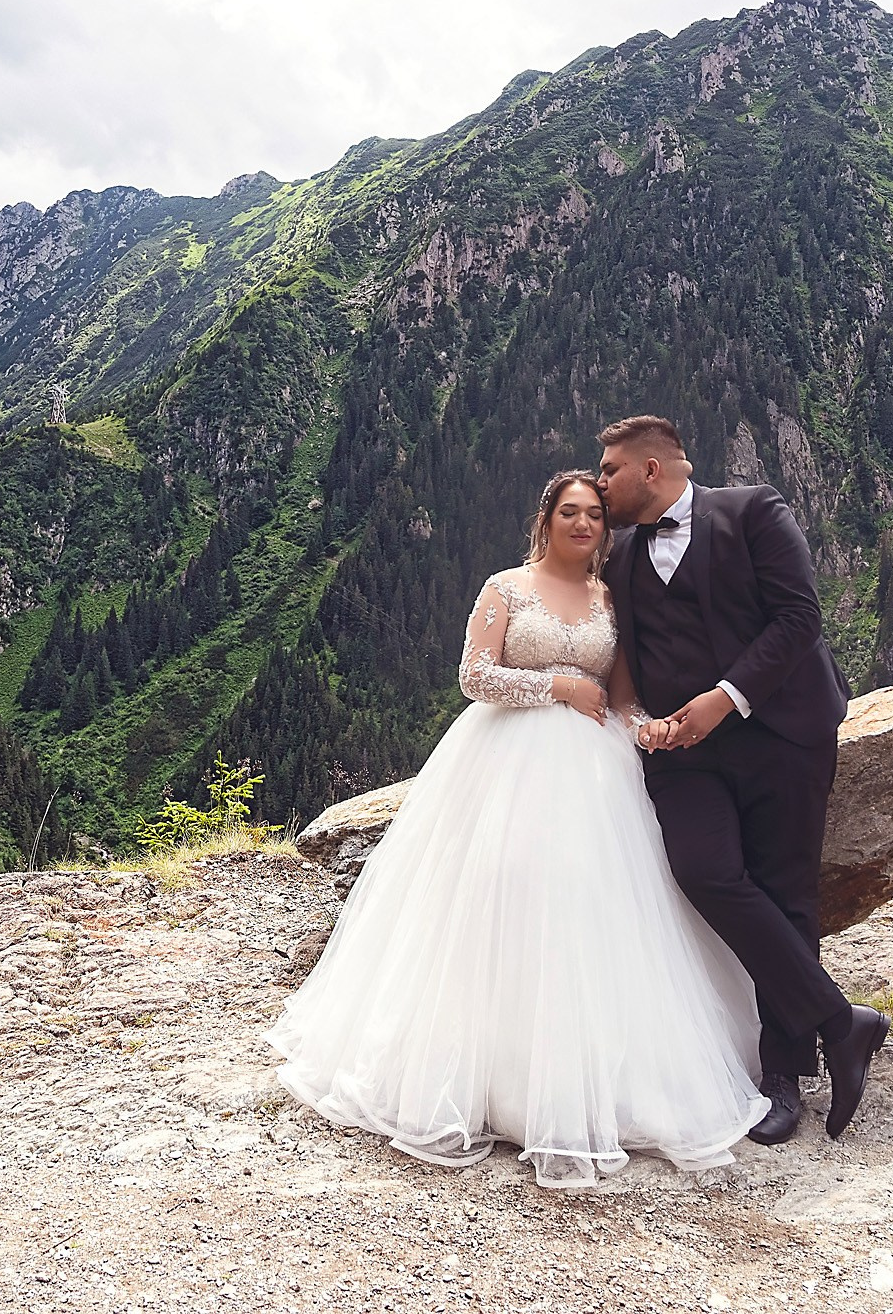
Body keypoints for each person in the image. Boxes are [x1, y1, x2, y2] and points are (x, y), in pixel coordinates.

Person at [268, 469, 770, 1188]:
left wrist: (652, 731)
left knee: (589, 907)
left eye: (595, 514)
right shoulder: (505, 587)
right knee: (494, 898)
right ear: (547, 520)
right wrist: (556, 686)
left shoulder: (610, 601)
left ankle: (581, 1078)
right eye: (570, 512)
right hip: (501, 763)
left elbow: (622, 698)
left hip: (594, 775)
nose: (584, 524)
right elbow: (475, 676)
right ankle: (486, 1075)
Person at [593, 414, 886, 1144]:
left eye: (609, 471)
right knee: (705, 871)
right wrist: (647, 722)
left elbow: (798, 619)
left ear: (651, 471)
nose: (601, 484)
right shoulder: (621, 555)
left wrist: (725, 698)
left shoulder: (754, 509)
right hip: (683, 753)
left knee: (787, 889)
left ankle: (781, 1078)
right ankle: (840, 1020)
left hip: (781, 732)